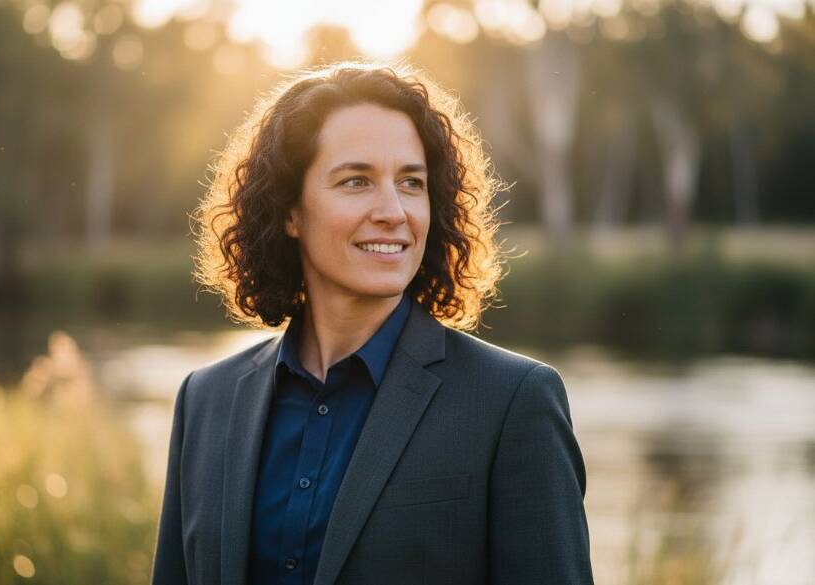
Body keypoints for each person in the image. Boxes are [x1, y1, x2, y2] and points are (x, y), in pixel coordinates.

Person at [150, 61, 593, 585]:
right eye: (356, 181)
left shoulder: (513, 401)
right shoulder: (205, 399)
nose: (393, 211)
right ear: (289, 212)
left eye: (411, 182)